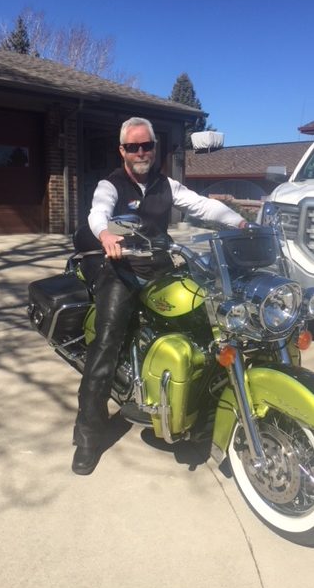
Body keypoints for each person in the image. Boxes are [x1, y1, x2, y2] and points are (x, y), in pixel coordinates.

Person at [72, 116, 247, 475]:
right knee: (106, 344)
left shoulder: (167, 185)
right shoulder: (111, 184)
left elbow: (204, 206)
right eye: (133, 146)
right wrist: (106, 235)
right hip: (122, 270)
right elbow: (97, 213)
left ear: (156, 148)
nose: (140, 152)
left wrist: (241, 223)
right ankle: (88, 433)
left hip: (161, 266)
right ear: (122, 150)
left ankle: (195, 404)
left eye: (146, 145)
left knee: (207, 318)